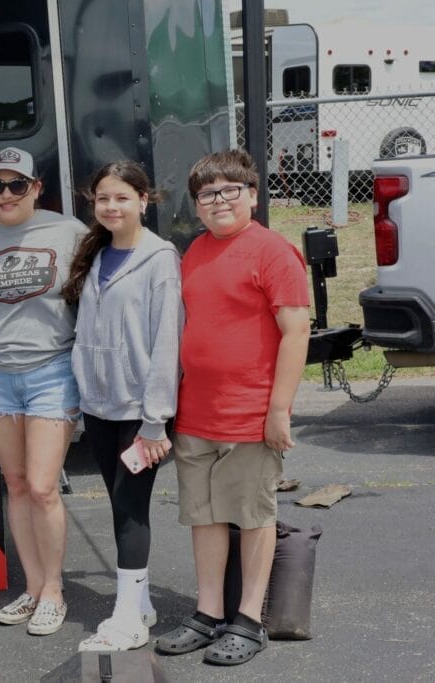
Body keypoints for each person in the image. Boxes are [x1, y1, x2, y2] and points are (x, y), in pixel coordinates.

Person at [155, 149, 310, 666]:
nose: (218, 201)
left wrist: (278, 409)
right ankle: (207, 612)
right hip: (196, 412)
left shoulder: (273, 252)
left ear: (252, 194)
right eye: (207, 194)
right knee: (205, 517)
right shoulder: (194, 252)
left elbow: (295, 332)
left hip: (249, 412)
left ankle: (248, 619)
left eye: (229, 191)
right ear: (196, 205)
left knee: (252, 514)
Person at [0, 147, 86, 636]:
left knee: (42, 485)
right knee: (13, 483)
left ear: (36, 187)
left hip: (52, 370)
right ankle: (31, 588)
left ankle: (54, 590)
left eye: (16, 185)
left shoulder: (69, 232)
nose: (5, 194)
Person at [63, 161, 183, 651]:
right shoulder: (94, 253)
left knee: (131, 509)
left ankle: (128, 618)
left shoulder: (159, 258)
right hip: (98, 404)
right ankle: (142, 603)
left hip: (139, 409)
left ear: (144, 201)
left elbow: (166, 344)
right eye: (103, 199)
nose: (111, 207)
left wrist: (155, 422)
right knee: (117, 504)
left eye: (122, 198)